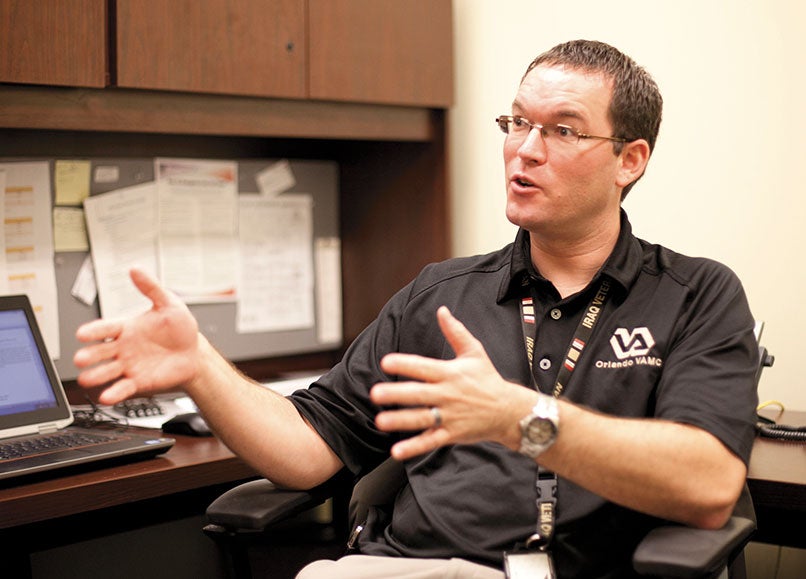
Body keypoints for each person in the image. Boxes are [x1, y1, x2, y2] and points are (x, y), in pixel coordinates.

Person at [74, 40, 759, 578]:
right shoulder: (440, 295)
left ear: (629, 160)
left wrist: (520, 418)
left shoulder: (695, 295)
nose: (523, 149)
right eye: (517, 122)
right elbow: (310, 448)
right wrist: (200, 366)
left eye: (562, 131)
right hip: (401, 566)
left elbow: (705, 482)